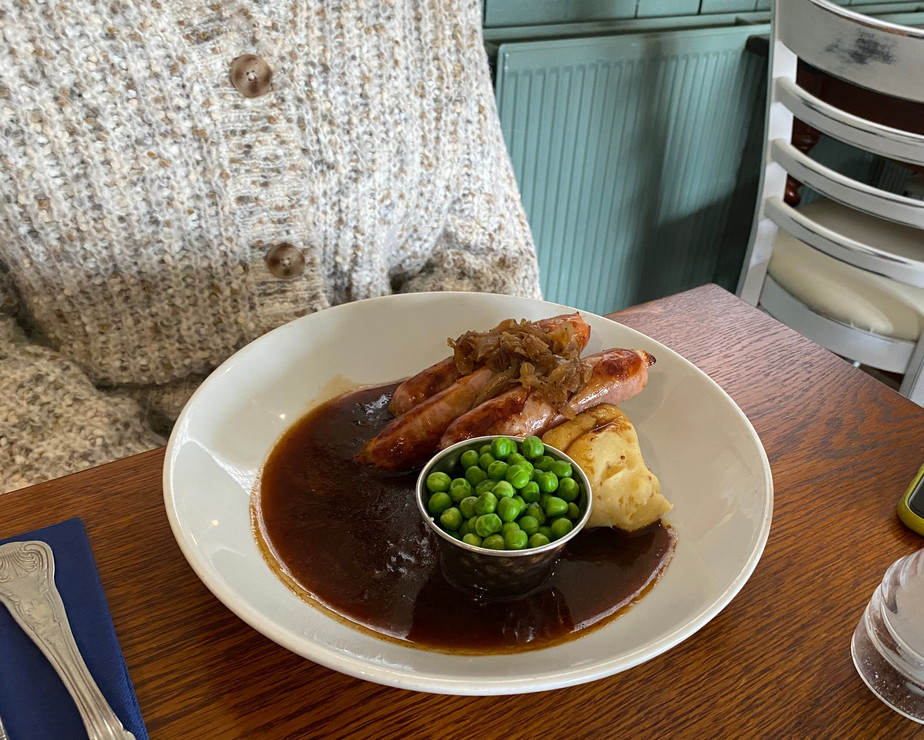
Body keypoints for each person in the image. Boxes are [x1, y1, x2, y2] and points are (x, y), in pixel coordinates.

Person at [0, 1, 542, 494]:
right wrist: (131, 490)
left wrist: (429, 435)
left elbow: (486, 254)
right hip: (115, 477)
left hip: (417, 461)